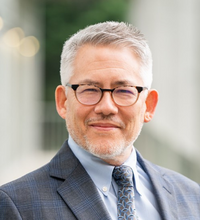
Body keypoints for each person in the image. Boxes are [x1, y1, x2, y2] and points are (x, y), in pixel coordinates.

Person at [0, 21, 199, 220]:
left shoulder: (191, 196)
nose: (106, 107)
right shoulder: (17, 205)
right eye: (89, 89)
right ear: (63, 102)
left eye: (124, 91)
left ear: (148, 105)